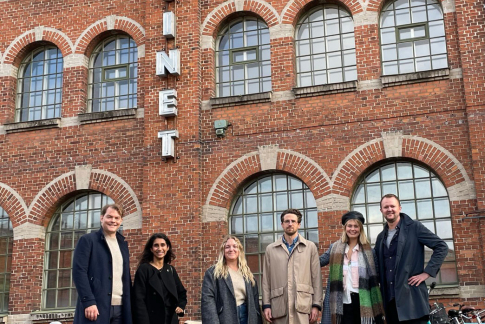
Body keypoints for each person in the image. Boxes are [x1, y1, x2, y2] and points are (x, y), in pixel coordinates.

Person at [375, 194, 448, 324]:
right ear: (381, 210)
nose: (389, 209)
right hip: (390, 304)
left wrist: (426, 273)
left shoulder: (414, 227)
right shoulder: (381, 237)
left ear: (400, 208)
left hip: (412, 302)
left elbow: (441, 247)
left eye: (393, 206)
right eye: (386, 207)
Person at [319, 211, 385, 324]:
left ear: (360, 229)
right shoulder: (334, 248)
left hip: (363, 302)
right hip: (341, 302)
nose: (352, 229)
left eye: (356, 226)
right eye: (349, 226)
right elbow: (318, 262)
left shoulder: (370, 251)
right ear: (345, 228)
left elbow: (377, 275)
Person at [73, 203, 132, 324]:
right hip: (96, 307)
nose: (113, 221)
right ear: (102, 218)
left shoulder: (123, 245)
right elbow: (79, 272)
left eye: (116, 218)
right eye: (109, 217)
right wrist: (88, 301)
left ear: (121, 220)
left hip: (121, 308)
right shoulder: (88, 240)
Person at [262, 208, 323, 324]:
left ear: (299, 224)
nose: (290, 224)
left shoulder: (310, 247)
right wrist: (266, 305)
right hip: (279, 307)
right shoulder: (271, 249)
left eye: (293, 221)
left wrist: (316, 305)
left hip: (304, 306)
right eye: (287, 221)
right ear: (282, 224)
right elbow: (266, 280)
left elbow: (317, 279)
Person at [201, 235, 263, 324]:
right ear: (223, 250)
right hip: (224, 317)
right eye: (227, 247)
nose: (231, 249)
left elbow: (255, 302)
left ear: (239, 250)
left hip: (247, 316)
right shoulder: (213, 273)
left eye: (235, 246)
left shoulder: (247, 274)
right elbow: (207, 301)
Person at [132, 233, 187, 324]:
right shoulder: (144, 269)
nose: (160, 249)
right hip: (151, 320)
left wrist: (180, 306)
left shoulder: (170, 270)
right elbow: (138, 301)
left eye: (163, 245)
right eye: (156, 245)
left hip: (170, 320)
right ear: (151, 249)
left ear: (167, 247)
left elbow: (182, 293)